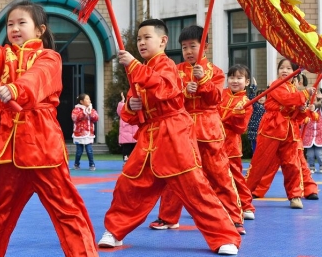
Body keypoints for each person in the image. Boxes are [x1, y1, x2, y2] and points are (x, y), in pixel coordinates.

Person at [0, 0, 98, 256]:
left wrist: (15, 89)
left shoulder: (50, 57)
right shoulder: (4, 55)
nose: (15, 28)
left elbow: (39, 77)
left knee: (66, 209)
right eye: (11, 23)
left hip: (41, 146)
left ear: (40, 30)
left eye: (22, 22)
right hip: (6, 148)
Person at [97, 19, 240, 255]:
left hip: (175, 134)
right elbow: (131, 114)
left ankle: (224, 236)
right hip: (148, 138)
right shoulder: (138, 70)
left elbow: (165, 88)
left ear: (163, 41)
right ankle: (115, 230)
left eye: (147, 38)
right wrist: (132, 106)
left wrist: (133, 65)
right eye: (139, 39)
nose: (141, 43)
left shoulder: (167, 65)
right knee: (128, 184)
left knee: (195, 187)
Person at [150, 25, 245, 235]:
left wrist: (202, 81)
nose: (189, 51)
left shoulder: (216, 72)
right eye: (184, 47)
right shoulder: (175, 70)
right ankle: (168, 216)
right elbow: (168, 97)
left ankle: (234, 218)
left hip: (208, 128)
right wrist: (184, 91)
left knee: (220, 174)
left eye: (193, 46)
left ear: (205, 46)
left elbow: (217, 99)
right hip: (182, 129)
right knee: (178, 175)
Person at [245, 59, 315, 209]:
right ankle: (244, 193)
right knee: (260, 164)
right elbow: (287, 100)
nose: (284, 71)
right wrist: (305, 94)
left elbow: (296, 114)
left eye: (289, 68)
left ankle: (295, 195)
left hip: (290, 132)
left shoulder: (295, 89)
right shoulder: (276, 85)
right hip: (272, 129)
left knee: (292, 165)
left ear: (295, 72)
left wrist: (302, 110)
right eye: (282, 68)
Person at [218, 64, 255, 221]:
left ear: (246, 82)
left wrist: (238, 116)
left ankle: (246, 205)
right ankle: (213, 207)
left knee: (236, 177)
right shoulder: (221, 94)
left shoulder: (246, 103)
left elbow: (241, 129)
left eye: (239, 78)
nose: (234, 81)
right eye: (232, 77)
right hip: (213, 141)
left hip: (232, 146)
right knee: (212, 177)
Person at [303, 88, 322, 173]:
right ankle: (311, 166)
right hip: (308, 137)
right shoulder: (305, 109)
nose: (312, 99)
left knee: (319, 154)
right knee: (310, 154)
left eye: (314, 97)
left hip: (319, 136)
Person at [71, 93, 98, 171]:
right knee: (79, 151)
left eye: (89, 99)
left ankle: (92, 164)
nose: (89, 100)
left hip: (89, 134)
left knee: (89, 150)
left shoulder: (91, 109)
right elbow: (75, 118)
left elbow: (96, 118)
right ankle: (76, 164)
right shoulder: (76, 110)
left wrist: (90, 113)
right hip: (79, 134)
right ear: (81, 101)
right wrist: (84, 112)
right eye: (87, 99)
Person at [117, 91, 138, 164]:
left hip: (135, 136)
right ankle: (126, 163)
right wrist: (122, 101)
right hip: (126, 137)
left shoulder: (137, 110)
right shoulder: (124, 110)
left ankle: (134, 164)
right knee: (126, 151)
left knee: (136, 152)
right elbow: (120, 110)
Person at [247, 87, 266, 152]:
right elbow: (251, 99)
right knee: (255, 149)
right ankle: (255, 160)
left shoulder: (268, 107)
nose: (261, 98)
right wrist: (253, 88)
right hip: (254, 131)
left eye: (263, 96)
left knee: (263, 149)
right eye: (259, 96)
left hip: (264, 131)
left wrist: (270, 88)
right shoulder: (256, 105)